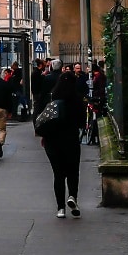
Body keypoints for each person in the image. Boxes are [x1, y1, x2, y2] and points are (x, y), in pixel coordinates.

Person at [41, 68, 88, 218]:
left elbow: (44, 119)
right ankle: (72, 197)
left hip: (53, 141)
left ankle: (60, 208)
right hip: (71, 140)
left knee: (58, 174)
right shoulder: (77, 100)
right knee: (73, 172)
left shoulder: (52, 99)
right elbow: (82, 123)